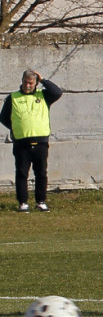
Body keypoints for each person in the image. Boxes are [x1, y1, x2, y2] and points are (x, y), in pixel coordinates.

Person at [0, 71, 63, 212]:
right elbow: (3, 117)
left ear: (35, 83)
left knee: (41, 173)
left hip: (41, 142)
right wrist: (17, 127)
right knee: (22, 173)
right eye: (25, 82)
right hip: (22, 143)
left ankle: (41, 201)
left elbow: (57, 92)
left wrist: (43, 80)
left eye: (31, 83)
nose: (27, 85)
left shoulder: (43, 95)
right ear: (21, 81)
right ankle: (23, 203)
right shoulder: (13, 97)